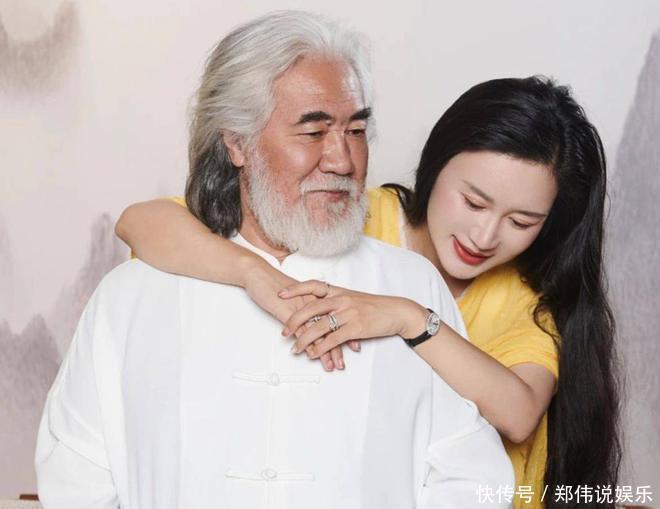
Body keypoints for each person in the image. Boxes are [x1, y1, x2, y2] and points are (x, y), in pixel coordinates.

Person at [35, 11, 514, 509]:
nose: (343, 161)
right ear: (237, 143)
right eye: (313, 132)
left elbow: (472, 477)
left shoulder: (410, 285)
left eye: (355, 130)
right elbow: (76, 482)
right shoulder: (130, 296)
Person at [116, 73, 622, 509]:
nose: (484, 236)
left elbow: (518, 414)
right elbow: (141, 222)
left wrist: (409, 318)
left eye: (521, 222)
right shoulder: (346, 213)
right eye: (473, 202)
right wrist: (255, 275)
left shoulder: (521, 299)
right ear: (436, 164)